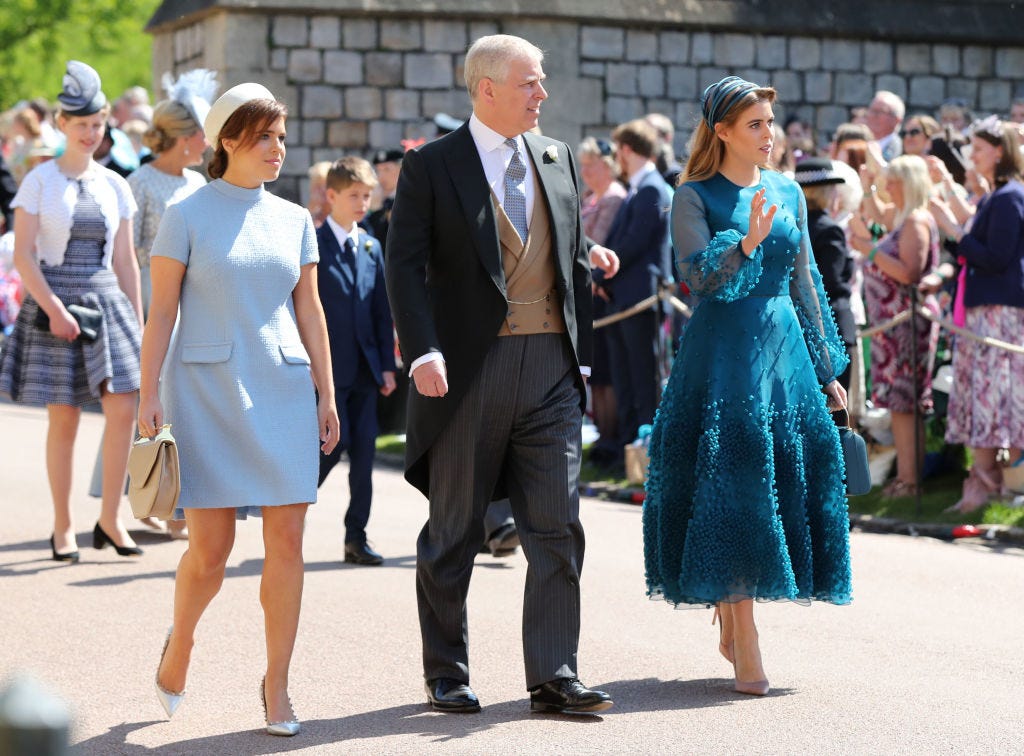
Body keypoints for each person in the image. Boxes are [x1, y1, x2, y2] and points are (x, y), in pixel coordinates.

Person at [385, 33, 612, 715]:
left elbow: (566, 249)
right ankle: (447, 672)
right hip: (464, 370)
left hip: (550, 367)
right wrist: (422, 352)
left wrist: (585, 344)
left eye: (541, 83)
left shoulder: (558, 155)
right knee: (454, 529)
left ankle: (554, 674)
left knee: (556, 525)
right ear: (487, 88)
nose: (542, 94)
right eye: (530, 83)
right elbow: (404, 264)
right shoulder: (432, 166)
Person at [642, 76, 852, 697]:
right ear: (723, 132)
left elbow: (806, 282)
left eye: (770, 123)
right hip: (721, 357)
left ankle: (735, 612)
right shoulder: (693, 196)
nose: (769, 135)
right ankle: (745, 634)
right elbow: (699, 281)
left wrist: (825, 368)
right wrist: (749, 241)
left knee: (775, 486)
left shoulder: (787, 187)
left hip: (783, 355)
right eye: (755, 124)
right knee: (731, 487)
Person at [140, 83, 339, 736]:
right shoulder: (187, 213)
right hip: (204, 393)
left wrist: (327, 394)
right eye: (265, 136)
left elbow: (310, 310)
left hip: (282, 388)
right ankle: (182, 640)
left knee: (287, 539)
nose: (279, 148)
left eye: (282, 136)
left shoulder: (294, 219)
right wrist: (148, 395)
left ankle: (277, 684)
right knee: (212, 552)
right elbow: (162, 311)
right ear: (228, 140)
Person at [0, 61, 144, 562]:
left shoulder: (115, 184)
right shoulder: (39, 181)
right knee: (63, 417)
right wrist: (54, 308)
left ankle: (110, 518)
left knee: (123, 406)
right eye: (82, 124)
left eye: (98, 124)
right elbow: (23, 255)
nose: (91, 133)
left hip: (106, 300)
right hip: (53, 299)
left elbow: (126, 261)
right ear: (61, 124)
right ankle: (62, 523)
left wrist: (140, 325)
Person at [316, 156, 396, 565]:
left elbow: (381, 309)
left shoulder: (370, 245)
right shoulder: (312, 243)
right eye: (354, 195)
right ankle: (289, 508)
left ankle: (356, 536)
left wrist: (386, 365)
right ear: (331, 196)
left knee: (364, 455)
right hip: (327, 371)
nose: (363, 203)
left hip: (365, 370)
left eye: (367, 195)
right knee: (330, 447)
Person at [943, 118, 1024, 512]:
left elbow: (997, 257)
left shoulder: (1009, 196)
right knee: (983, 393)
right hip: (984, 309)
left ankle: (994, 480)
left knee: (995, 394)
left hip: (1000, 311)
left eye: (978, 149)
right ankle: (986, 478)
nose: (971, 157)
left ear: (999, 150)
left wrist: (956, 233)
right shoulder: (997, 195)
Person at [851, 155, 940, 499]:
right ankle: (906, 477)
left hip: (906, 323)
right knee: (901, 404)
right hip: (893, 325)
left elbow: (908, 273)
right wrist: (868, 186)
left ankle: (909, 480)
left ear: (908, 184)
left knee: (905, 402)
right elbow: (878, 212)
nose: (888, 187)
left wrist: (870, 252)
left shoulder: (916, 221)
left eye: (893, 181)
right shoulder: (906, 218)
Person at [601, 118, 673, 466]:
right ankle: (627, 448)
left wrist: (603, 275)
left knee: (643, 379)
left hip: (641, 298)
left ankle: (645, 452)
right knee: (625, 378)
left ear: (627, 150)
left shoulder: (653, 190)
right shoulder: (638, 189)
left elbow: (633, 244)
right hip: (623, 298)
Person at [577, 136, 626, 466]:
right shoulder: (589, 197)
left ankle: (610, 440)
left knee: (606, 371)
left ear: (606, 165)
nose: (585, 171)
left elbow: (600, 240)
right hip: (588, 292)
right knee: (596, 374)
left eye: (590, 164)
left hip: (603, 292)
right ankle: (602, 438)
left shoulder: (613, 198)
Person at [794, 157, 858, 393]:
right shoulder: (829, 229)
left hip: (798, 322)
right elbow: (832, 282)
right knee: (836, 410)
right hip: (831, 324)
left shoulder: (792, 225)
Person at [365, 148, 402, 249]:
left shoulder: (409, 200)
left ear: (401, 170)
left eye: (387, 169)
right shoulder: (374, 199)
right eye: (378, 170)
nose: (381, 176)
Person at [865, 90, 905, 162]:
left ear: (896, 120)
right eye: (872, 110)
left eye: (880, 112)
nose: (873, 116)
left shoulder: (902, 149)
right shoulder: (860, 143)